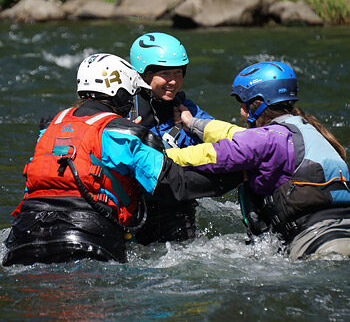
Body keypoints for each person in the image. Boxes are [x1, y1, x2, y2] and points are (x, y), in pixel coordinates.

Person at [2, 53, 242, 266]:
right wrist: (241, 170)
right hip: (87, 241)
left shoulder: (51, 124)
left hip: (23, 237)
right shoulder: (124, 132)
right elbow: (176, 184)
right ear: (120, 92)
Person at [167, 61, 350, 260]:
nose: (241, 112)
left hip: (317, 244)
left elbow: (212, 154)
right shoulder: (304, 128)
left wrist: (160, 155)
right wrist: (192, 123)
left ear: (260, 103)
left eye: (243, 104)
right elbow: (236, 135)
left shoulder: (269, 138)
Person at [128, 32, 215, 244]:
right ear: (145, 75)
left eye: (179, 73)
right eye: (166, 74)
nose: (174, 82)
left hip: (178, 209)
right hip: (134, 211)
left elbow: (224, 144)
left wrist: (192, 124)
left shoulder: (187, 110)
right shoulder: (123, 111)